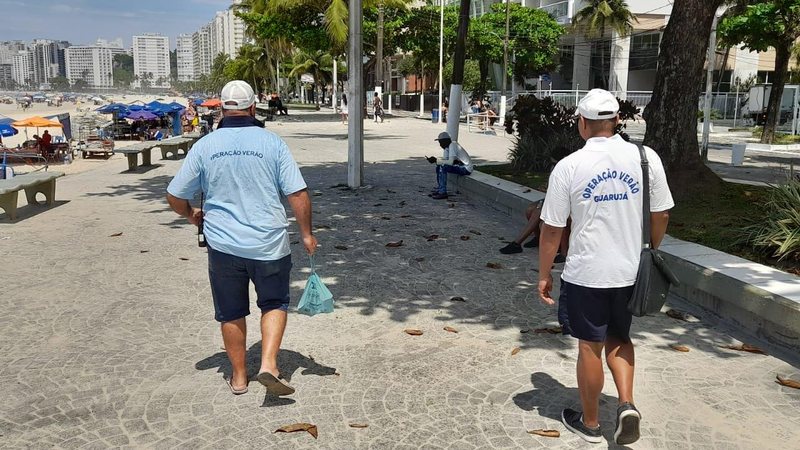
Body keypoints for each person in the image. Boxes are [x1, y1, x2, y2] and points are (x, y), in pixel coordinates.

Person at [537, 89, 673, 445]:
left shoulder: (569, 166)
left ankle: (592, 422)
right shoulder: (646, 157)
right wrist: (650, 251)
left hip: (587, 273)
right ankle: (626, 403)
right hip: (630, 271)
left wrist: (543, 273)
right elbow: (661, 214)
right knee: (620, 338)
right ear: (616, 121)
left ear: (582, 123)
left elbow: (552, 228)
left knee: (589, 346)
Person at [166, 80, 318, 397]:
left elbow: (175, 195)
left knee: (231, 311)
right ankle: (268, 364)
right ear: (252, 107)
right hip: (269, 243)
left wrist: (190, 214)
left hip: (223, 247)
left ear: (222, 108)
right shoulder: (272, 143)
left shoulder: (205, 146)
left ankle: (238, 378)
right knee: (274, 303)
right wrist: (306, 233)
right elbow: (298, 193)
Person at [427, 131, 472, 200]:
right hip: (460, 165)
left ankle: (443, 192)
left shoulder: (452, 145)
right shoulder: (448, 147)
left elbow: (450, 162)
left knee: (443, 167)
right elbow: (446, 161)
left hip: (466, 168)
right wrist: (435, 161)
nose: (440, 145)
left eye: (440, 142)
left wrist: (437, 161)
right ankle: (440, 189)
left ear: (445, 141)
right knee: (439, 166)